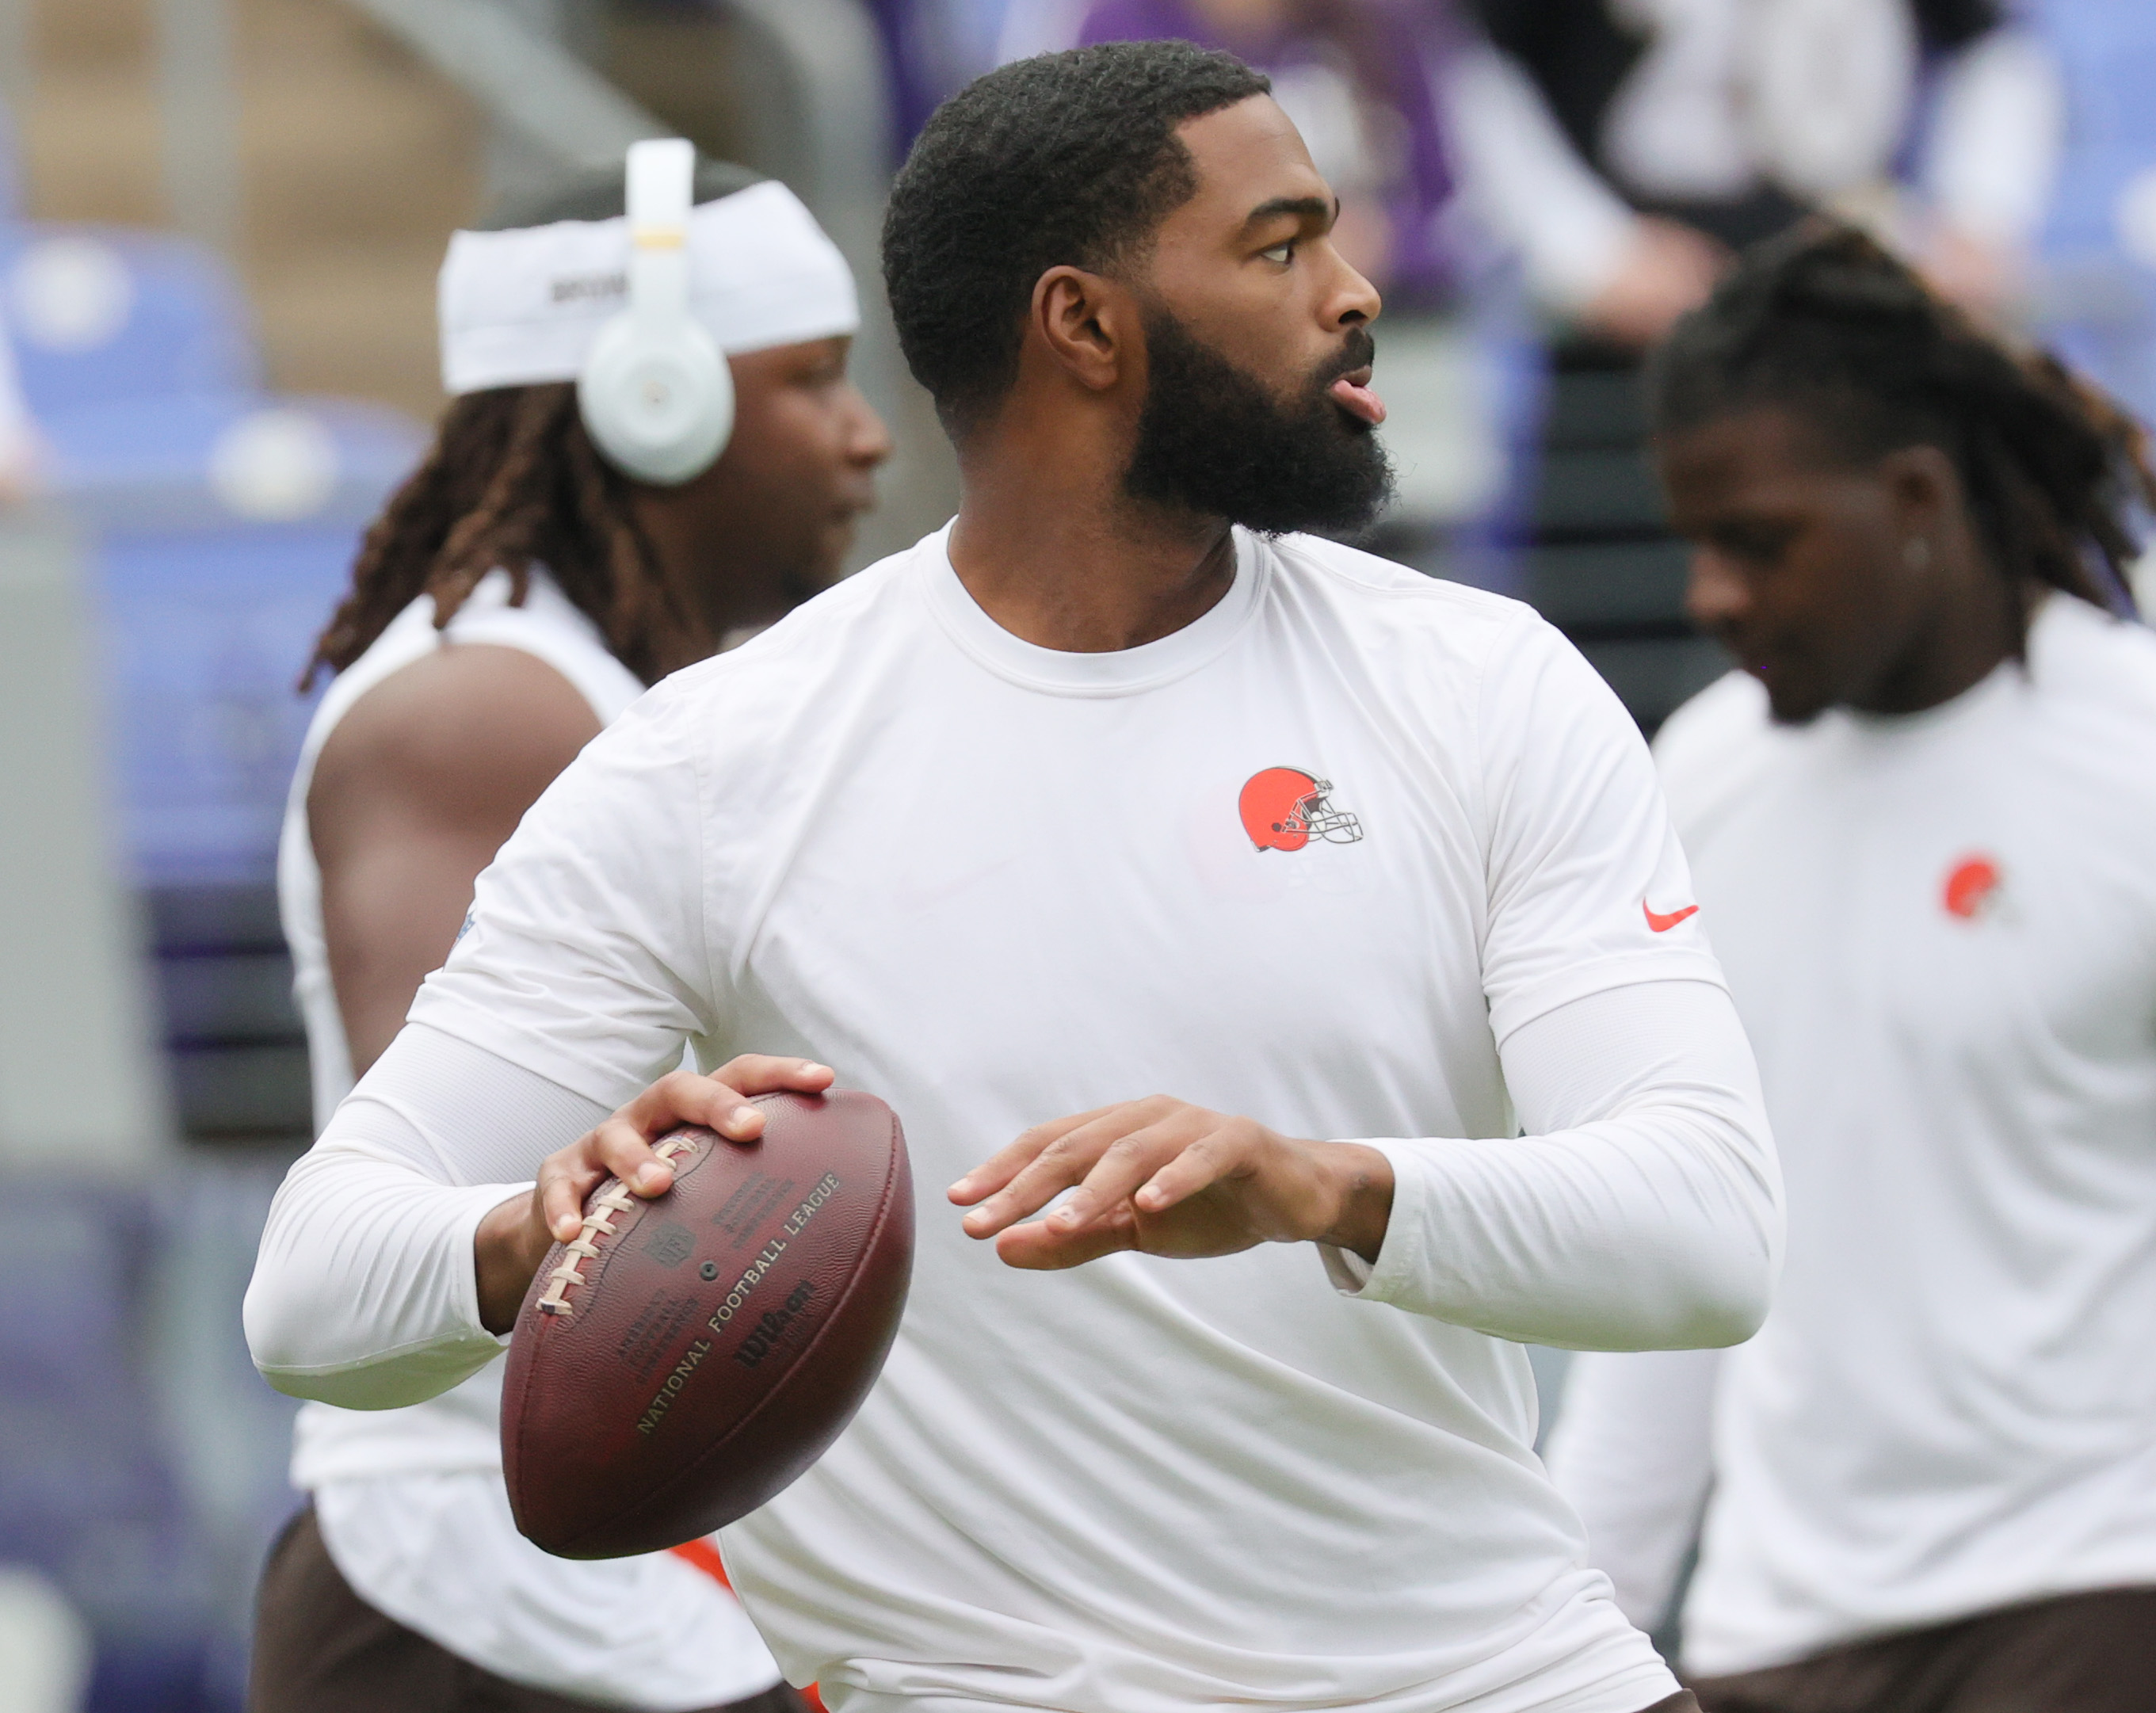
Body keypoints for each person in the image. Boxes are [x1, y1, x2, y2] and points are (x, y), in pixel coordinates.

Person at [246, 43, 1784, 1713]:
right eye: (1277, 247)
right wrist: (541, 1223)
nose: (1352, 292)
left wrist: (1316, 1186)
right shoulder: (708, 767)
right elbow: (311, 1286)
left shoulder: (1485, 681)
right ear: (1083, 325)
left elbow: (1704, 1232)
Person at [247, 157, 891, 1713]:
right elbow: (472, 1170)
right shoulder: (482, 708)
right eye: (810, 381)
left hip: (588, 1589)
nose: (865, 433)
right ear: (653, 398)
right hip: (489, 1620)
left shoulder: (602, 688)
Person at [1543, 225, 2156, 1713]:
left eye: (1757, 539)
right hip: (1774, 1628)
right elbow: (1671, 1260)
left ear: (1914, 499)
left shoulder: (2133, 753)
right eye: (1690, 540)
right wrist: (1580, 1616)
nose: (1709, 594)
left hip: (2097, 1588)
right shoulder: (1693, 781)